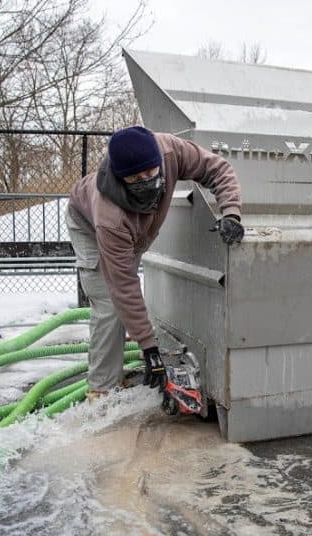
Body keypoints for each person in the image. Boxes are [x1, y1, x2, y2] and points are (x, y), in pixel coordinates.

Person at [66, 126, 243, 400]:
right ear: (121, 177)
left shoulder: (170, 151)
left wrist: (231, 212)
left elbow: (219, 169)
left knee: (124, 306)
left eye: (150, 173)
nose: (146, 180)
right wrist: (149, 349)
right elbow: (123, 284)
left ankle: (129, 338)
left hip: (136, 230)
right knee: (110, 304)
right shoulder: (109, 216)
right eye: (136, 178)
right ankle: (102, 389)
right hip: (88, 226)